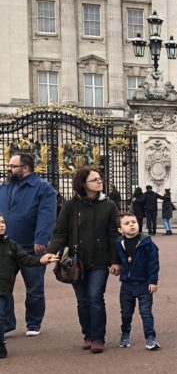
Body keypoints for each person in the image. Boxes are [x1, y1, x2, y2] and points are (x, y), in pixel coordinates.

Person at [44, 168, 120, 353]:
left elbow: (114, 236)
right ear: (83, 184)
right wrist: (50, 252)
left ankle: (98, 338)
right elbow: (60, 232)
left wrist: (115, 261)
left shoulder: (109, 205)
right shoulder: (70, 206)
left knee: (95, 298)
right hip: (74, 259)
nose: (99, 181)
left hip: (100, 260)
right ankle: (87, 334)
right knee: (82, 300)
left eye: (100, 178)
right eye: (94, 179)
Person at [0, 152, 56, 337]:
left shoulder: (42, 187)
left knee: (34, 288)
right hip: (5, 245)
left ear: (25, 168)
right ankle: (6, 323)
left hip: (31, 245)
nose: (9, 168)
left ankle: (33, 323)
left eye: (12, 165)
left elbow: (47, 214)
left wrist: (41, 238)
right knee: (3, 287)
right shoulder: (4, 186)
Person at [0, 212, 55, 358]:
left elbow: (26, 259)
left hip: (4, 287)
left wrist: (41, 261)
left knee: (1, 314)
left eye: (2, 222)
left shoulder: (11, 245)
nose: (1, 225)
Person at [115, 213, 161, 349]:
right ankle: (125, 334)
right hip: (126, 284)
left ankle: (150, 337)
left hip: (144, 284)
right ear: (120, 229)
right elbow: (116, 258)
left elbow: (153, 263)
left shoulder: (147, 243)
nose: (131, 225)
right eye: (127, 223)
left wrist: (153, 281)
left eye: (134, 222)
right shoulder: (119, 243)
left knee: (146, 312)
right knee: (126, 312)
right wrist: (114, 264)